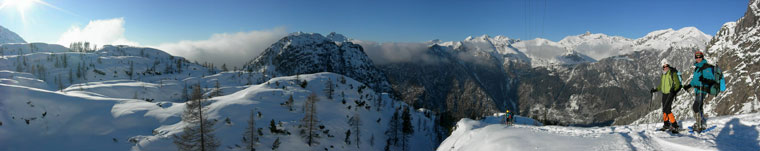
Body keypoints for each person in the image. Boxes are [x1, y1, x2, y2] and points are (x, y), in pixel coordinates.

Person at [683, 51, 716, 133]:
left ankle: (699, 125)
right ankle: (701, 122)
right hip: (697, 89)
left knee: (695, 106)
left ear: (702, 57)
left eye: (699, 57)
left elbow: (711, 80)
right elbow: (694, 81)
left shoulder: (706, 67)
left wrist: (704, 80)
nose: (698, 59)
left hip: (703, 90)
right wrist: (689, 86)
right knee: (699, 106)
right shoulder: (697, 68)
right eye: (696, 57)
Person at [650, 59, 681, 132]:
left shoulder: (672, 73)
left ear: (669, 66)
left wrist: (674, 90)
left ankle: (674, 125)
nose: (665, 67)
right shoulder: (663, 74)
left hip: (670, 93)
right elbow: (661, 85)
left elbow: (677, 84)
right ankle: (666, 124)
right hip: (664, 93)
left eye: (666, 66)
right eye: (664, 66)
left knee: (668, 109)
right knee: (664, 109)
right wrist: (655, 89)